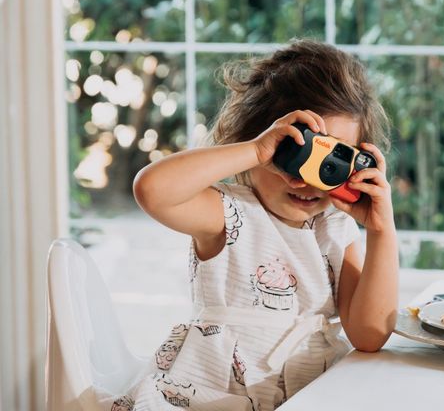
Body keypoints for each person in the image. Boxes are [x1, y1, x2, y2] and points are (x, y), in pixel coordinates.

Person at [104, 39, 398, 411]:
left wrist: (381, 231)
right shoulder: (229, 213)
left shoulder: (335, 228)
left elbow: (370, 334)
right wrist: (256, 151)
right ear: (259, 138)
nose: (306, 181)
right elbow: (152, 190)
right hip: (211, 396)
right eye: (294, 155)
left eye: (330, 164)